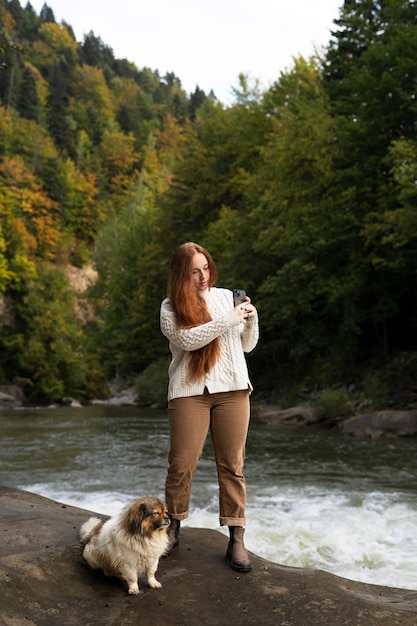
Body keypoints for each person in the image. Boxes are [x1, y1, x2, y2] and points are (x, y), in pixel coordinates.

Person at [160, 241, 259, 572]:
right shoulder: (170, 307)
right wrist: (231, 317)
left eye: (205, 268)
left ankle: (237, 538)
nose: (202, 276)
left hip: (233, 390)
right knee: (182, 464)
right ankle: (173, 527)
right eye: (193, 271)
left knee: (232, 465)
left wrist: (250, 319)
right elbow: (189, 341)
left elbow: (246, 346)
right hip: (190, 392)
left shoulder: (226, 296)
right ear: (181, 274)